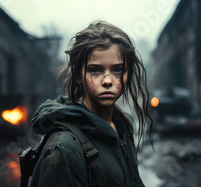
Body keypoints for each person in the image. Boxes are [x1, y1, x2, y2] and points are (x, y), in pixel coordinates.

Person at [28, 20, 153, 186]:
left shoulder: (122, 127)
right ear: (79, 75)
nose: (107, 81)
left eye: (117, 69)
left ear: (127, 74)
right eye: (95, 70)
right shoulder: (64, 150)